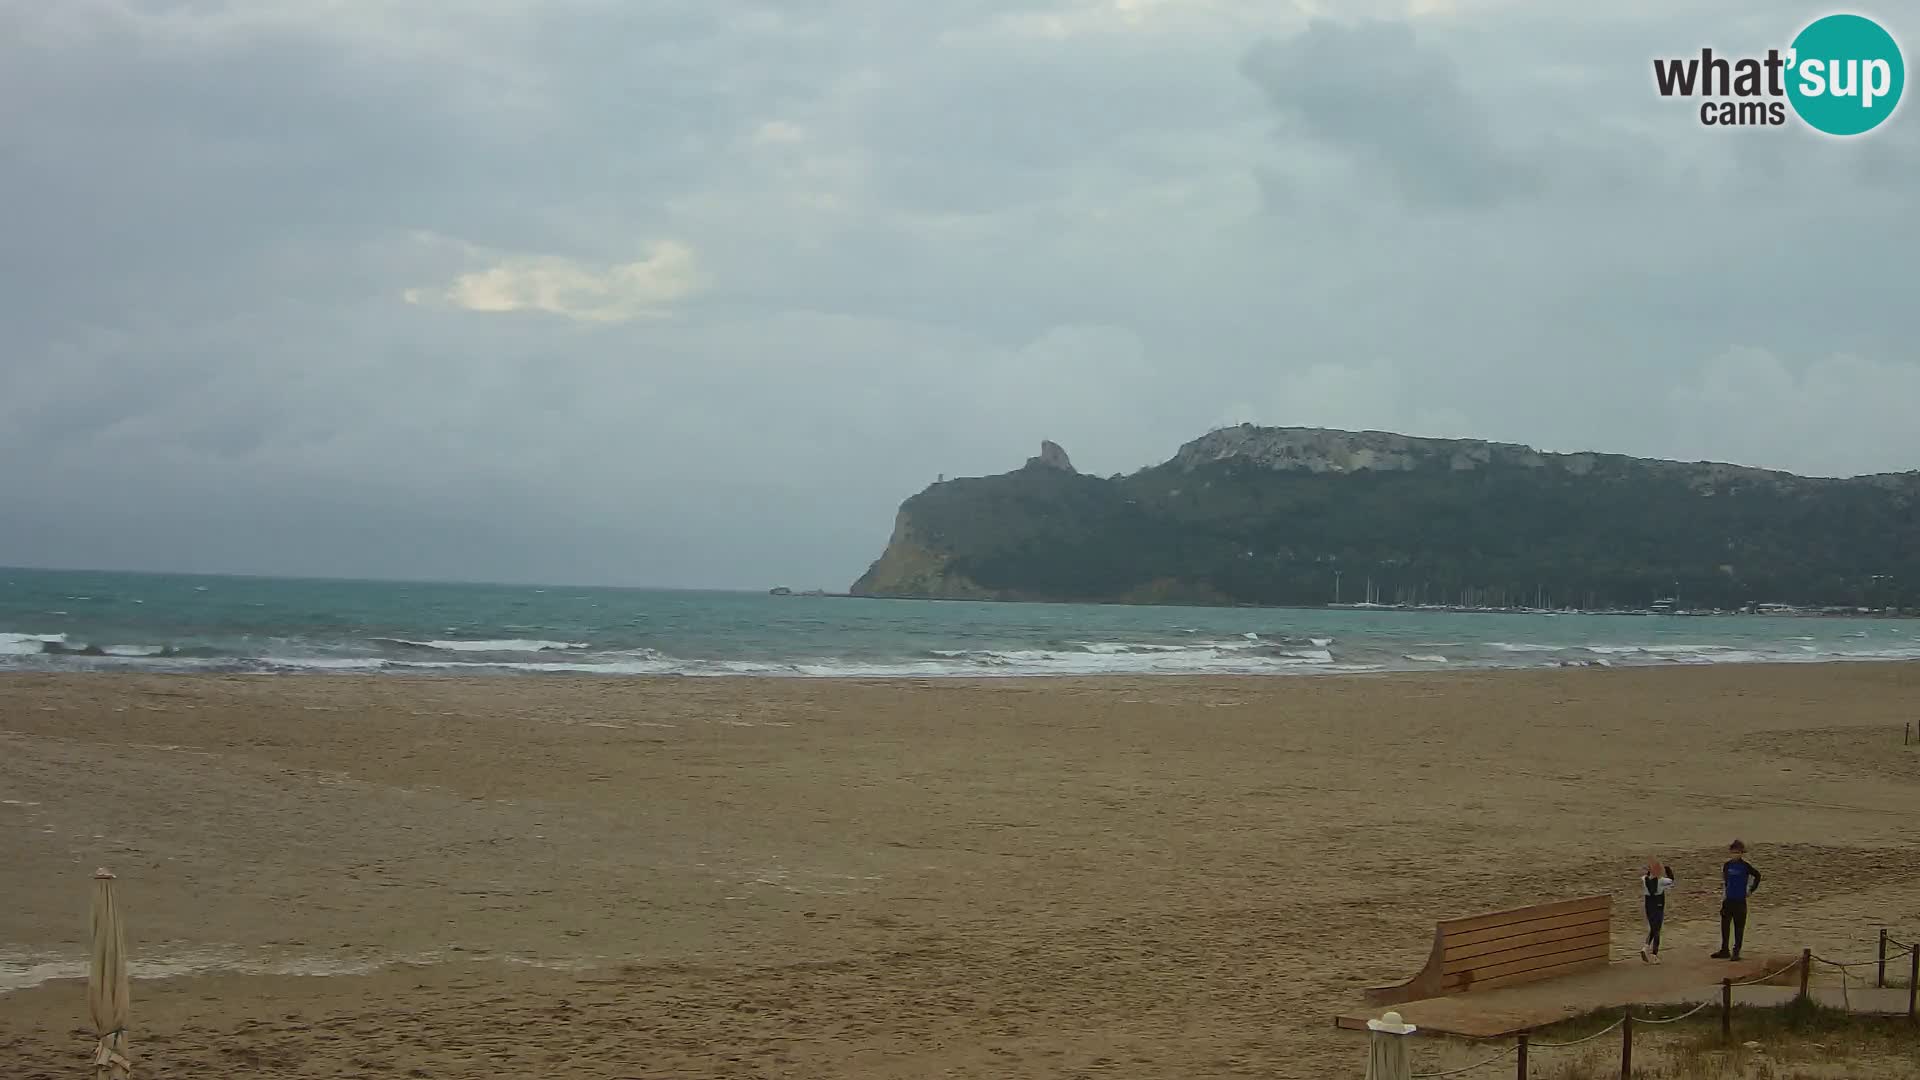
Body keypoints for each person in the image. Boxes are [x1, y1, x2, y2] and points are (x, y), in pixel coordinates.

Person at [1712, 839, 1762, 960]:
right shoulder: (1727, 865)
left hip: (1740, 901)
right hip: (1728, 900)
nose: (1735, 854)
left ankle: (1736, 951)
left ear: (1741, 853)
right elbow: (1726, 881)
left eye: (1738, 852)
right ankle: (1724, 949)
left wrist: (1751, 890)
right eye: (1734, 852)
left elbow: (1757, 875)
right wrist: (1724, 894)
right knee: (1725, 925)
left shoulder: (1745, 866)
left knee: (1738, 927)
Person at [1640, 859, 1673, 962]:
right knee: (1657, 930)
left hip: (1649, 906)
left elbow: (1646, 876)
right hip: (1658, 906)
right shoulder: (1661, 881)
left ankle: (1646, 947)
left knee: (1653, 928)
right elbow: (1671, 880)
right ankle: (1654, 955)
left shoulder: (1644, 879)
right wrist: (1668, 869)